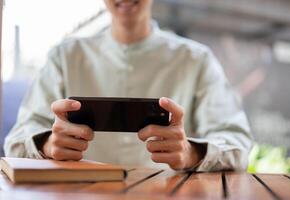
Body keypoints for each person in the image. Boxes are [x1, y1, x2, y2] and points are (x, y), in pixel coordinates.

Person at [4, 0, 253, 171]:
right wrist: (46, 144)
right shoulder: (64, 57)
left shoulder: (197, 60)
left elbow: (237, 142)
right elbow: (16, 140)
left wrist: (193, 152)